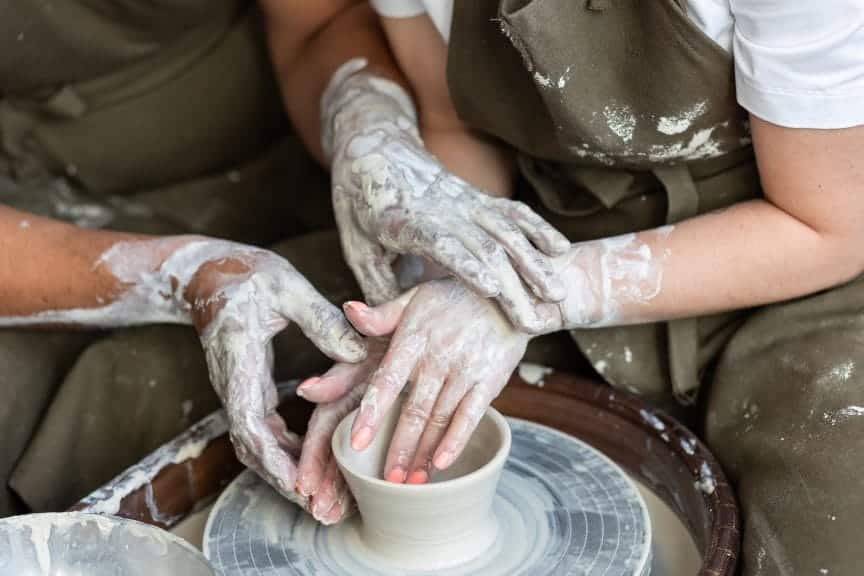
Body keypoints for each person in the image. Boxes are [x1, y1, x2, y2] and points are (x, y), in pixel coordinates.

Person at [278, 1, 864, 573]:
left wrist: (534, 293)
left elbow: (830, 227)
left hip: (787, 259)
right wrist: (445, 289)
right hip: (544, 228)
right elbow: (453, 124)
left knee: (828, 534)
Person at [0, 0, 564, 522]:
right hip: (29, 209)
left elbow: (320, 20)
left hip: (278, 128)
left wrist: (366, 122)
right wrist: (180, 275)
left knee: (352, 339)